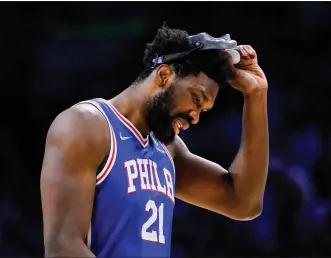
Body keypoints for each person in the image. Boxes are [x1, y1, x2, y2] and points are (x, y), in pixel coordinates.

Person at [40, 24, 269, 257]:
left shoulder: (168, 150)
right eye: (196, 99)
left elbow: (243, 203)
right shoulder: (86, 126)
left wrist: (256, 96)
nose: (195, 117)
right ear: (163, 75)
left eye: (203, 110)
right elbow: (63, 248)